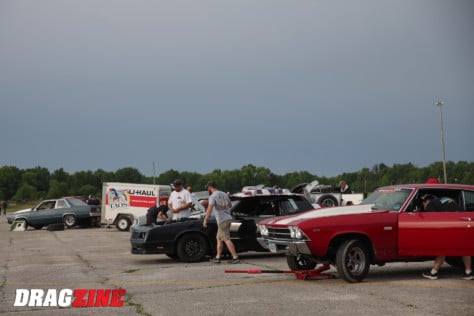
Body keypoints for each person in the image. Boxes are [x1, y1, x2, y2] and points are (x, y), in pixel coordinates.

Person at [420, 194, 473, 280]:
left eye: (423, 204)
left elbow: (433, 221)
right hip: (463, 222)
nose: (424, 206)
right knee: (464, 248)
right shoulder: (446, 199)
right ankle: (468, 272)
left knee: (443, 247)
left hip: (452, 224)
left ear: (426, 201)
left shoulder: (431, 204)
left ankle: (433, 272)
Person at [203, 181, 240, 264]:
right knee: (219, 239)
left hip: (222, 220)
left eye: (207, 188)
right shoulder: (224, 194)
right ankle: (218, 257)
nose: (207, 189)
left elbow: (209, 209)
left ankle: (235, 257)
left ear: (209, 187)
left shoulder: (212, 196)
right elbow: (230, 205)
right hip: (228, 218)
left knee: (226, 239)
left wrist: (205, 220)